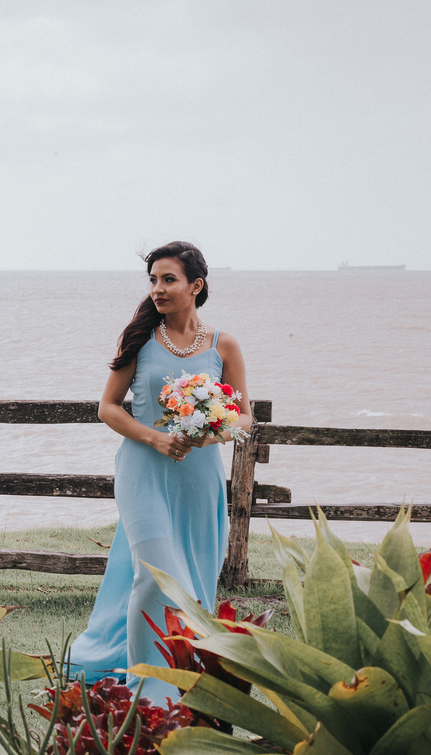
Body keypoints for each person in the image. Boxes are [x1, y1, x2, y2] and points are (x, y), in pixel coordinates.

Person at [68, 241, 252, 705]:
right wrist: (154, 438)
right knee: (155, 576)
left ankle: (184, 669)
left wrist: (212, 434)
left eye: (168, 279)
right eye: (152, 280)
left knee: (192, 579)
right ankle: (148, 689)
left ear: (196, 285)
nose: (157, 289)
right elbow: (108, 407)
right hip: (142, 472)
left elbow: (245, 416)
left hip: (199, 478)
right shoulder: (139, 341)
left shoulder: (223, 344)